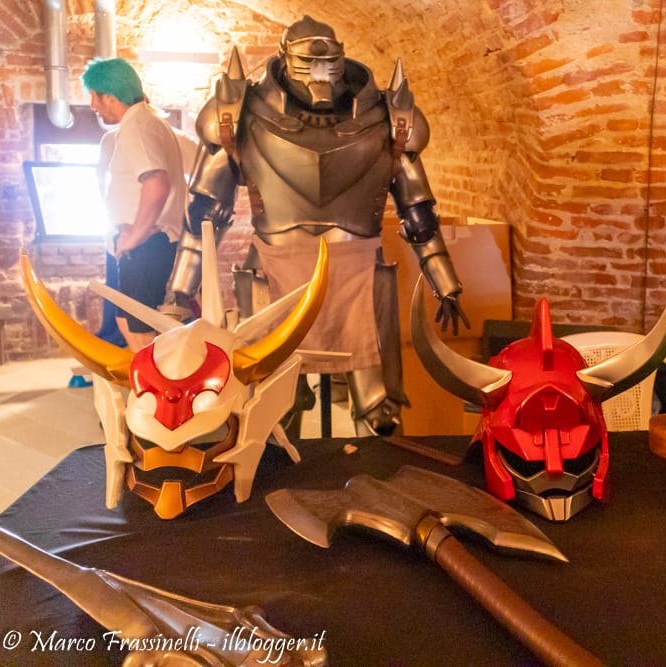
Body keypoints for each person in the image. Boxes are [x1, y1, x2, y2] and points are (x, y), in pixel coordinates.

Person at [165, 17, 469, 436]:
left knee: (379, 414)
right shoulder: (237, 112)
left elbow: (417, 211)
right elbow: (204, 211)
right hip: (274, 271)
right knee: (272, 413)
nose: (319, 75)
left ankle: (375, 474)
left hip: (358, 273)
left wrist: (445, 282)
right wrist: (180, 290)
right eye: (308, 63)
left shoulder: (390, 116)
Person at [82, 58, 186, 351]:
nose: (92, 105)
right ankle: (147, 379)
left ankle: (157, 381)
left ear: (109, 96)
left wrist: (134, 236)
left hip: (146, 244)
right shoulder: (147, 122)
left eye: (94, 96)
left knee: (140, 331)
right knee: (126, 320)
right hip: (145, 243)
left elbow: (157, 183)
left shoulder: (136, 126)